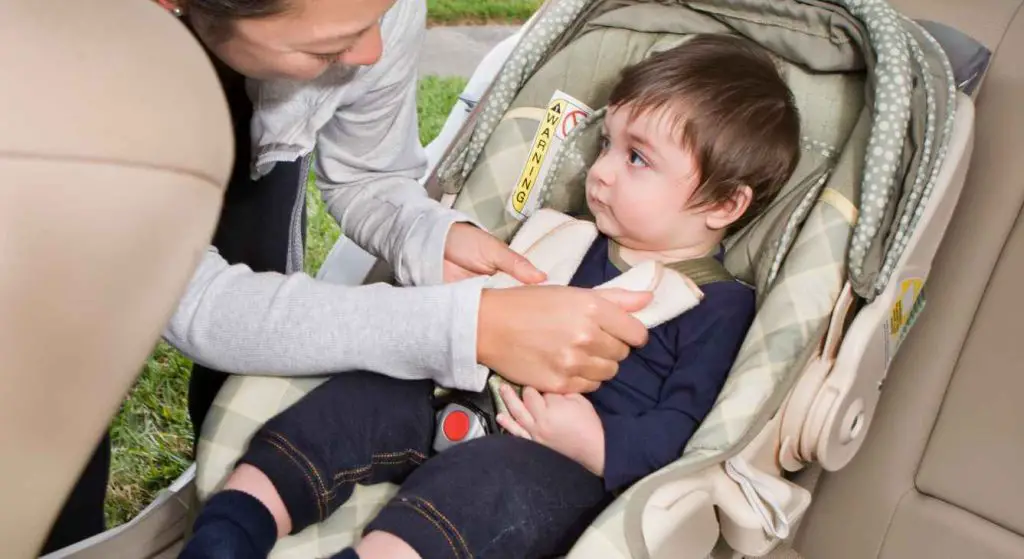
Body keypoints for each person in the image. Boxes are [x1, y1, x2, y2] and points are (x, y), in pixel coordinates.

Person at [41, 0, 653, 553]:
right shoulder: (64, 78)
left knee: (252, 347)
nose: (373, 54)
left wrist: (428, 235)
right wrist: (465, 327)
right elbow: (194, 302)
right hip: (68, 170)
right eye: (334, 42)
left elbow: (366, 173)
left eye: (382, 15)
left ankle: (222, 479)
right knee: (51, 383)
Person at [178, 34, 802, 559]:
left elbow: (689, 429)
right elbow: (477, 313)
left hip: (558, 464)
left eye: (637, 158)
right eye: (607, 144)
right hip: (463, 390)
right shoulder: (566, 239)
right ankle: (232, 528)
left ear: (724, 203)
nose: (602, 170)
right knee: (360, 397)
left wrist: (600, 446)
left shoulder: (713, 306)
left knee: (482, 489)